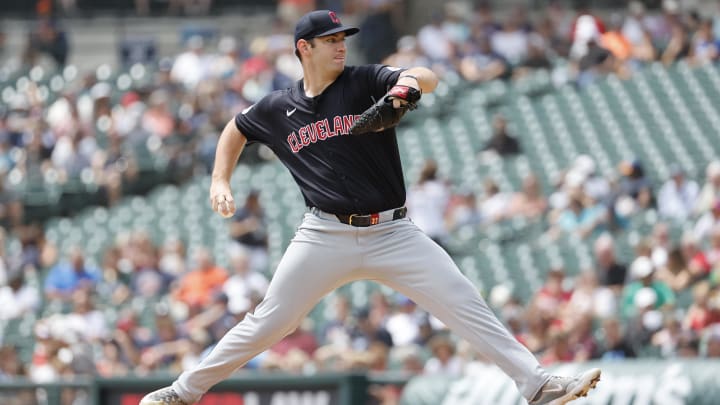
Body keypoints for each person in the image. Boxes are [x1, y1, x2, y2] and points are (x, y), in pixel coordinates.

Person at [139, 10, 600, 405]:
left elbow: (425, 75)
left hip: (393, 232)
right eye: (331, 41)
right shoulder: (279, 107)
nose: (341, 47)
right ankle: (183, 391)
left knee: (462, 300)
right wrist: (220, 178)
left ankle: (537, 385)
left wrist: (406, 90)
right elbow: (235, 130)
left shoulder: (362, 82)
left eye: (343, 40)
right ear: (304, 48)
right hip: (324, 234)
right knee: (269, 321)